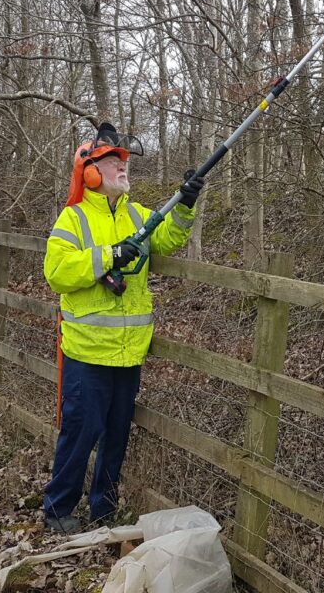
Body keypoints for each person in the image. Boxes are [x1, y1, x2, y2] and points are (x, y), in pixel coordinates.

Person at [42, 122, 204, 534]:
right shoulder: (73, 218)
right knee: (80, 435)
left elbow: (167, 239)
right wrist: (109, 255)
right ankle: (58, 510)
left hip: (129, 351)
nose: (122, 168)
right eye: (113, 161)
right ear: (90, 172)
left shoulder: (138, 215)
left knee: (116, 438)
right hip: (88, 352)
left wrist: (186, 203)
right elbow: (57, 271)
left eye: (123, 161)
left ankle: (104, 511)